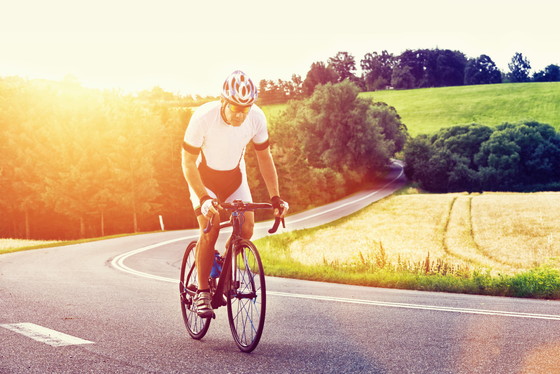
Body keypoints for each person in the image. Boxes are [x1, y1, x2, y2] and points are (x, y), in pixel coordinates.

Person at [181, 70, 288, 318]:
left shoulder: (256, 118)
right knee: (212, 226)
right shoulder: (203, 118)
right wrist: (204, 198)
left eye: (246, 109)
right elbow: (187, 163)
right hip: (202, 178)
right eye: (235, 108)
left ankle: (225, 267)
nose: (240, 114)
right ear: (223, 101)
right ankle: (203, 291)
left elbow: (264, 157)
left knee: (247, 229)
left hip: (235, 177)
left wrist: (275, 197)